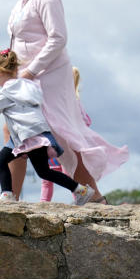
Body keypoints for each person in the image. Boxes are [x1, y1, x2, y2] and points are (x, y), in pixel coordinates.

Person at [2, 0, 128, 202]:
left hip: (47, 77)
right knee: (14, 129)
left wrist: (30, 71)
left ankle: (93, 197)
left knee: (62, 136)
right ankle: (11, 197)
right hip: (25, 79)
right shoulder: (22, 0)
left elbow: (58, 38)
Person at [0, 49, 93, 205]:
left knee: (7, 162)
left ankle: (80, 190)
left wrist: (6, 103)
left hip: (27, 136)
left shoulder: (6, 92)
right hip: (37, 133)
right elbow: (39, 98)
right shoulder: (29, 86)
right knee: (41, 171)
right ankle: (7, 193)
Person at [40, 67, 89, 202]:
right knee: (48, 176)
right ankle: (44, 202)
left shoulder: (73, 102)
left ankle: (79, 198)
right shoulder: (59, 101)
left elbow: (84, 121)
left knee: (67, 174)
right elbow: (86, 121)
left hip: (65, 144)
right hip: (53, 144)